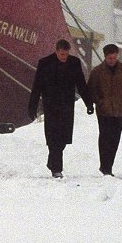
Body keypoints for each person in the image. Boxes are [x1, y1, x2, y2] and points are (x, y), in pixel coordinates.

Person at [28, 38, 93, 178]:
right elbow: (37, 86)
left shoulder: (74, 63)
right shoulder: (45, 63)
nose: (64, 57)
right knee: (53, 138)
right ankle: (57, 169)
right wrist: (32, 107)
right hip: (51, 106)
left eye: (66, 54)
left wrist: (89, 103)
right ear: (56, 51)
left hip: (67, 106)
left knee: (63, 139)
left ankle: (52, 161)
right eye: (61, 54)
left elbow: (81, 84)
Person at [87, 43, 122, 177]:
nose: (112, 61)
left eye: (114, 58)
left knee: (115, 139)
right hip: (103, 112)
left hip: (118, 112)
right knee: (105, 138)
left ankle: (108, 166)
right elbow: (91, 89)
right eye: (110, 58)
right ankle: (105, 167)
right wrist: (99, 102)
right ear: (105, 57)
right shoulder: (97, 72)